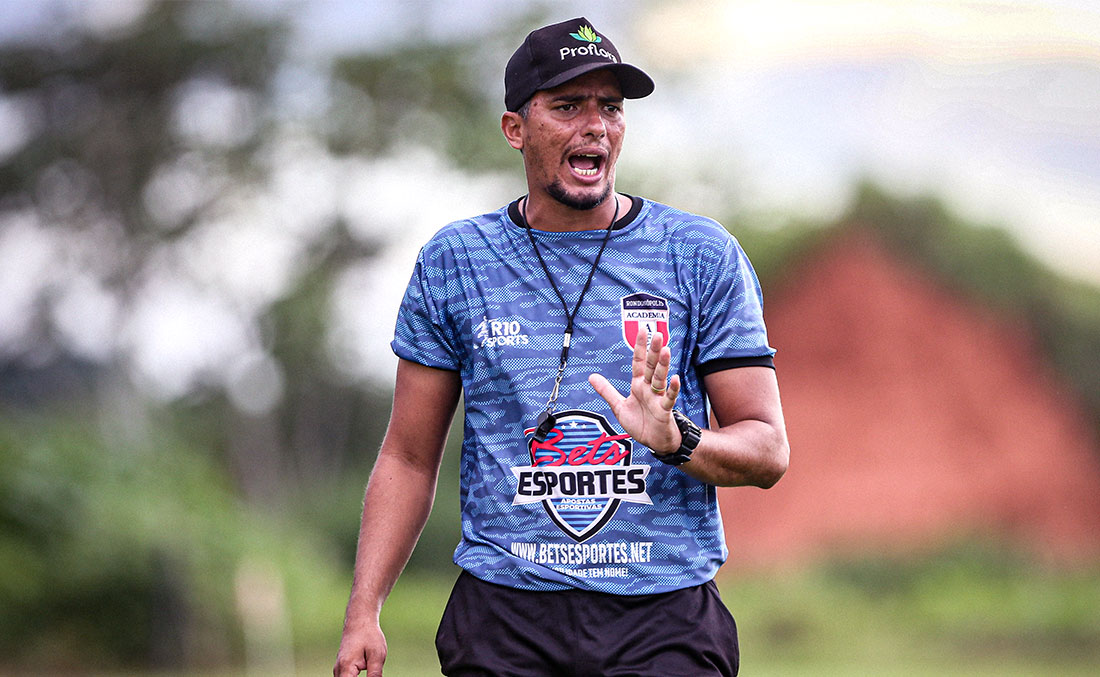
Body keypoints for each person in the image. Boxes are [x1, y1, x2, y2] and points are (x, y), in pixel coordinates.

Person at [334, 16, 789, 677]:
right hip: (504, 619)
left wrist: (678, 440)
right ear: (515, 128)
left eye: (610, 106)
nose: (595, 125)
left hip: (663, 617)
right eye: (568, 105)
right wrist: (363, 610)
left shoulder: (698, 256)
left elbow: (768, 449)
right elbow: (408, 455)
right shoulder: (458, 261)